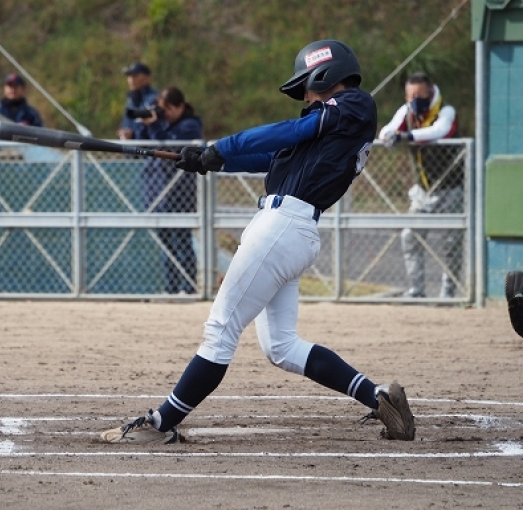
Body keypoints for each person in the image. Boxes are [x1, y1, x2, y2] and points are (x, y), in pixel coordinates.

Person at [100, 40, 416, 444]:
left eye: (308, 87)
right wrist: (206, 160)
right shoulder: (330, 128)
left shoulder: (354, 104)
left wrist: (221, 146)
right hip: (288, 230)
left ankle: (162, 423)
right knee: (281, 346)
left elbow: (287, 131)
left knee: (220, 329)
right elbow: (271, 157)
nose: (305, 97)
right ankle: (380, 398)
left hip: (283, 226)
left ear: (327, 74)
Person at [378, 72, 463, 299]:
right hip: (422, 192)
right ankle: (417, 290)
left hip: (451, 189)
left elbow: (440, 131)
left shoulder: (446, 111)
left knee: (451, 242)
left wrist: (406, 136)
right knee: (410, 235)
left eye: (419, 95)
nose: (415, 100)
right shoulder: (407, 111)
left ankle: (448, 292)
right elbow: (386, 131)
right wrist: (392, 136)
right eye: (411, 96)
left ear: (431, 91)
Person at [133, 87, 202, 295]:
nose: (166, 114)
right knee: (165, 245)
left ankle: (188, 287)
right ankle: (170, 288)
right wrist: (143, 125)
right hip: (157, 193)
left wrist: (155, 126)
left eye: (168, 109)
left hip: (180, 193)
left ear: (180, 106)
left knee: (181, 241)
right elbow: (143, 147)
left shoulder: (190, 126)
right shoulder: (161, 125)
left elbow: (170, 149)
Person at [117, 62, 158, 140]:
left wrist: (133, 135)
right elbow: (126, 125)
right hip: (130, 146)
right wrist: (124, 132)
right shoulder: (130, 100)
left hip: (148, 146)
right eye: (129, 76)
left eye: (135, 76)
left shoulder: (155, 99)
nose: (131, 79)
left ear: (147, 78)